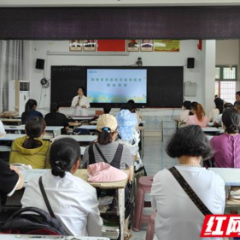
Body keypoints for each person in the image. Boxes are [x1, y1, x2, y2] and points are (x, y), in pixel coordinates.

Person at [151, 125, 225, 240]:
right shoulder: (216, 180)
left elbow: (156, 209)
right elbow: (219, 214)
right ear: (203, 149)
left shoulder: (160, 178)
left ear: (175, 148)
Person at [21, 138, 102, 236]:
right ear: (77, 164)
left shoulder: (32, 184)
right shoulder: (87, 190)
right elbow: (95, 230)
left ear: (49, 161)